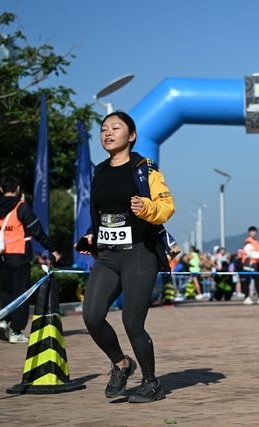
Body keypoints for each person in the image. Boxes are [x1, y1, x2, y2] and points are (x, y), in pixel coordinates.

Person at [77, 111, 175, 403]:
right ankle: (121, 364)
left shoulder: (145, 169)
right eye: (103, 129)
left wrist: (145, 207)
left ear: (131, 136)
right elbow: (102, 215)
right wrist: (92, 235)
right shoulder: (99, 171)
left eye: (115, 128)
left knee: (132, 323)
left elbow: (166, 207)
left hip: (139, 254)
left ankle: (151, 383)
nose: (107, 133)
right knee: (92, 316)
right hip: (107, 256)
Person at [0, 175, 61, 343]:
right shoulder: (21, 208)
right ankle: (16, 331)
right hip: (19, 255)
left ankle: (4, 321)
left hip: (0, 256)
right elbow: (37, 231)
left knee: (6, 291)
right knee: (21, 293)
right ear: (18, 188)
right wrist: (53, 249)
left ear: (1, 189)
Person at [242, 226, 259, 305]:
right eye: (252, 232)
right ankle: (246, 297)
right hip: (248, 265)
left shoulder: (257, 242)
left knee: (258, 281)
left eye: (254, 231)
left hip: (256, 265)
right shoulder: (248, 242)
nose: (253, 233)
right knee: (246, 282)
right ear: (249, 233)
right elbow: (250, 253)